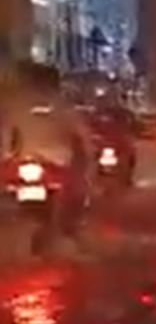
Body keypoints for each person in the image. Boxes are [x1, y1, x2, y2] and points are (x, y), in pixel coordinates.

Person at [0, 61, 95, 229]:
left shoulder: (15, 103)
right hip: (55, 161)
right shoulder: (61, 105)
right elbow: (82, 134)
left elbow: (6, 131)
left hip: (21, 159)